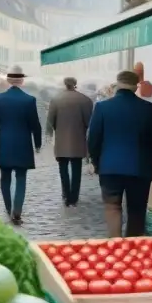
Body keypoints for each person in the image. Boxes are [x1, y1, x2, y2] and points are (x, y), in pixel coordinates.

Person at [88, 70, 152, 238]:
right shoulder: (148, 109)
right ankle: (133, 245)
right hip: (140, 168)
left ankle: (115, 243)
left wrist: (96, 162)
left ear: (117, 84)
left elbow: (93, 139)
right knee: (137, 210)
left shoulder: (102, 107)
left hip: (110, 168)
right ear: (135, 86)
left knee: (112, 207)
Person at [0, 66, 42, 226]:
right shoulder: (29, 100)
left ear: (9, 80)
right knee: (21, 177)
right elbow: (35, 125)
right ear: (22, 81)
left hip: (4, 142)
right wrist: (37, 144)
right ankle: (17, 210)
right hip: (23, 143)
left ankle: (8, 207)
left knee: (5, 177)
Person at [47, 76, 94, 207]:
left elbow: (50, 121)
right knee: (76, 169)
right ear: (75, 84)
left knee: (63, 169)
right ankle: (74, 196)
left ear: (64, 84)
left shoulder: (56, 100)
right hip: (78, 139)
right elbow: (89, 122)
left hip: (61, 140)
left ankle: (66, 194)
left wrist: (50, 135)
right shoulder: (85, 100)